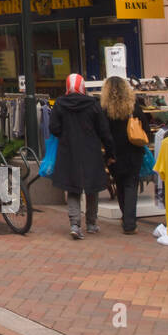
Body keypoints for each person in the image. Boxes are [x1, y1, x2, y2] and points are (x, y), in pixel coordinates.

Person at [49, 73, 115, 239]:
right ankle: (92, 223)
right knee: (92, 187)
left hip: (69, 150)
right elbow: (104, 130)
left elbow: (54, 128)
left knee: (73, 188)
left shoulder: (59, 104)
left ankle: (75, 224)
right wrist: (110, 151)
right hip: (90, 150)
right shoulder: (93, 104)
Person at [101, 74, 152, 235]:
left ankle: (126, 217)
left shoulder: (105, 110)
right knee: (131, 185)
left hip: (115, 152)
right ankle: (129, 222)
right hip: (133, 151)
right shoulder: (134, 107)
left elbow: (104, 133)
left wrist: (108, 154)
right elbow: (146, 130)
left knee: (120, 185)